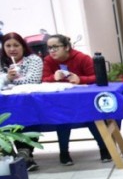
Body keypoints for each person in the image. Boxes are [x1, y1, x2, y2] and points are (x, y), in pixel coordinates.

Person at [41, 34, 112, 166]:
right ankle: (64, 152)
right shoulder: (48, 61)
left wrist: (81, 79)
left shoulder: (81, 58)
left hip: (84, 101)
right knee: (62, 120)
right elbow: (43, 81)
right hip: (61, 103)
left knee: (92, 117)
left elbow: (98, 77)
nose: (52, 51)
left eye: (55, 47)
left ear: (67, 47)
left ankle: (104, 149)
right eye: (49, 48)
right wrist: (53, 78)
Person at [1, 32, 45, 170]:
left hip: (28, 103)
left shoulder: (34, 60)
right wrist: (7, 78)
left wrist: (9, 82)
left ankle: (24, 154)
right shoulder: (1, 62)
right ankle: (9, 155)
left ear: (23, 47)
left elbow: (34, 80)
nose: (12, 49)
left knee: (27, 114)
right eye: (8, 45)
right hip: (4, 104)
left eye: (16, 45)